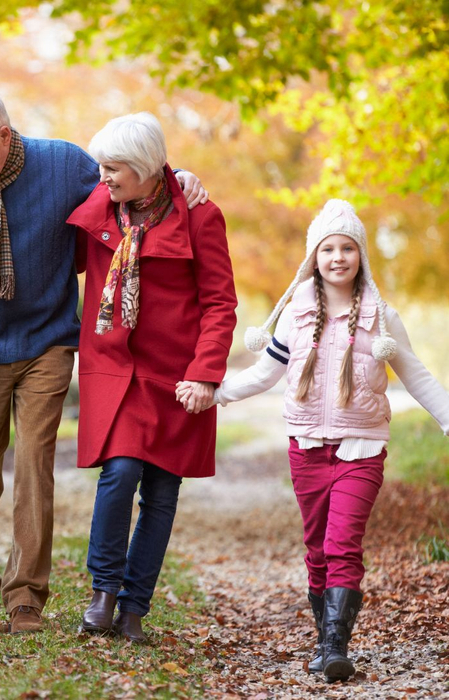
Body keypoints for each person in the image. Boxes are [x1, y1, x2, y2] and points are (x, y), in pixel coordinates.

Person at [0, 91, 207, 635]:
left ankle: (26, 595)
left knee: (32, 464)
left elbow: (132, 181)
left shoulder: (65, 164)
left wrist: (178, 174)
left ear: (4, 135)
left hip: (48, 341)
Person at [181, 199, 449, 680]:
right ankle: (325, 640)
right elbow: (266, 373)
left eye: (348, 248)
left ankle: (334, 647)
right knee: (318, 549)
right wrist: (217, 392)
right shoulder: (296, 313)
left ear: (361, 255)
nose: (339, 257)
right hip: (306, 446)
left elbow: (417, 376)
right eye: (329, 248)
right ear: (314, 256)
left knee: (343, 543)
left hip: (361, 448)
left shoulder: (381, 317)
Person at [67, 112, 237, 643]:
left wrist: (206, 374)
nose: (104, 177)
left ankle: (134, 610)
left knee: (162, 493)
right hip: (114, 370)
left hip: (177, 376)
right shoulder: (100, 205)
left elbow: (219, 303)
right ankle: (104, 592)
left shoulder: (200, 216)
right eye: (102, 166)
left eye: (115, 168)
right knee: (119, 475)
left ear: (144, 169)